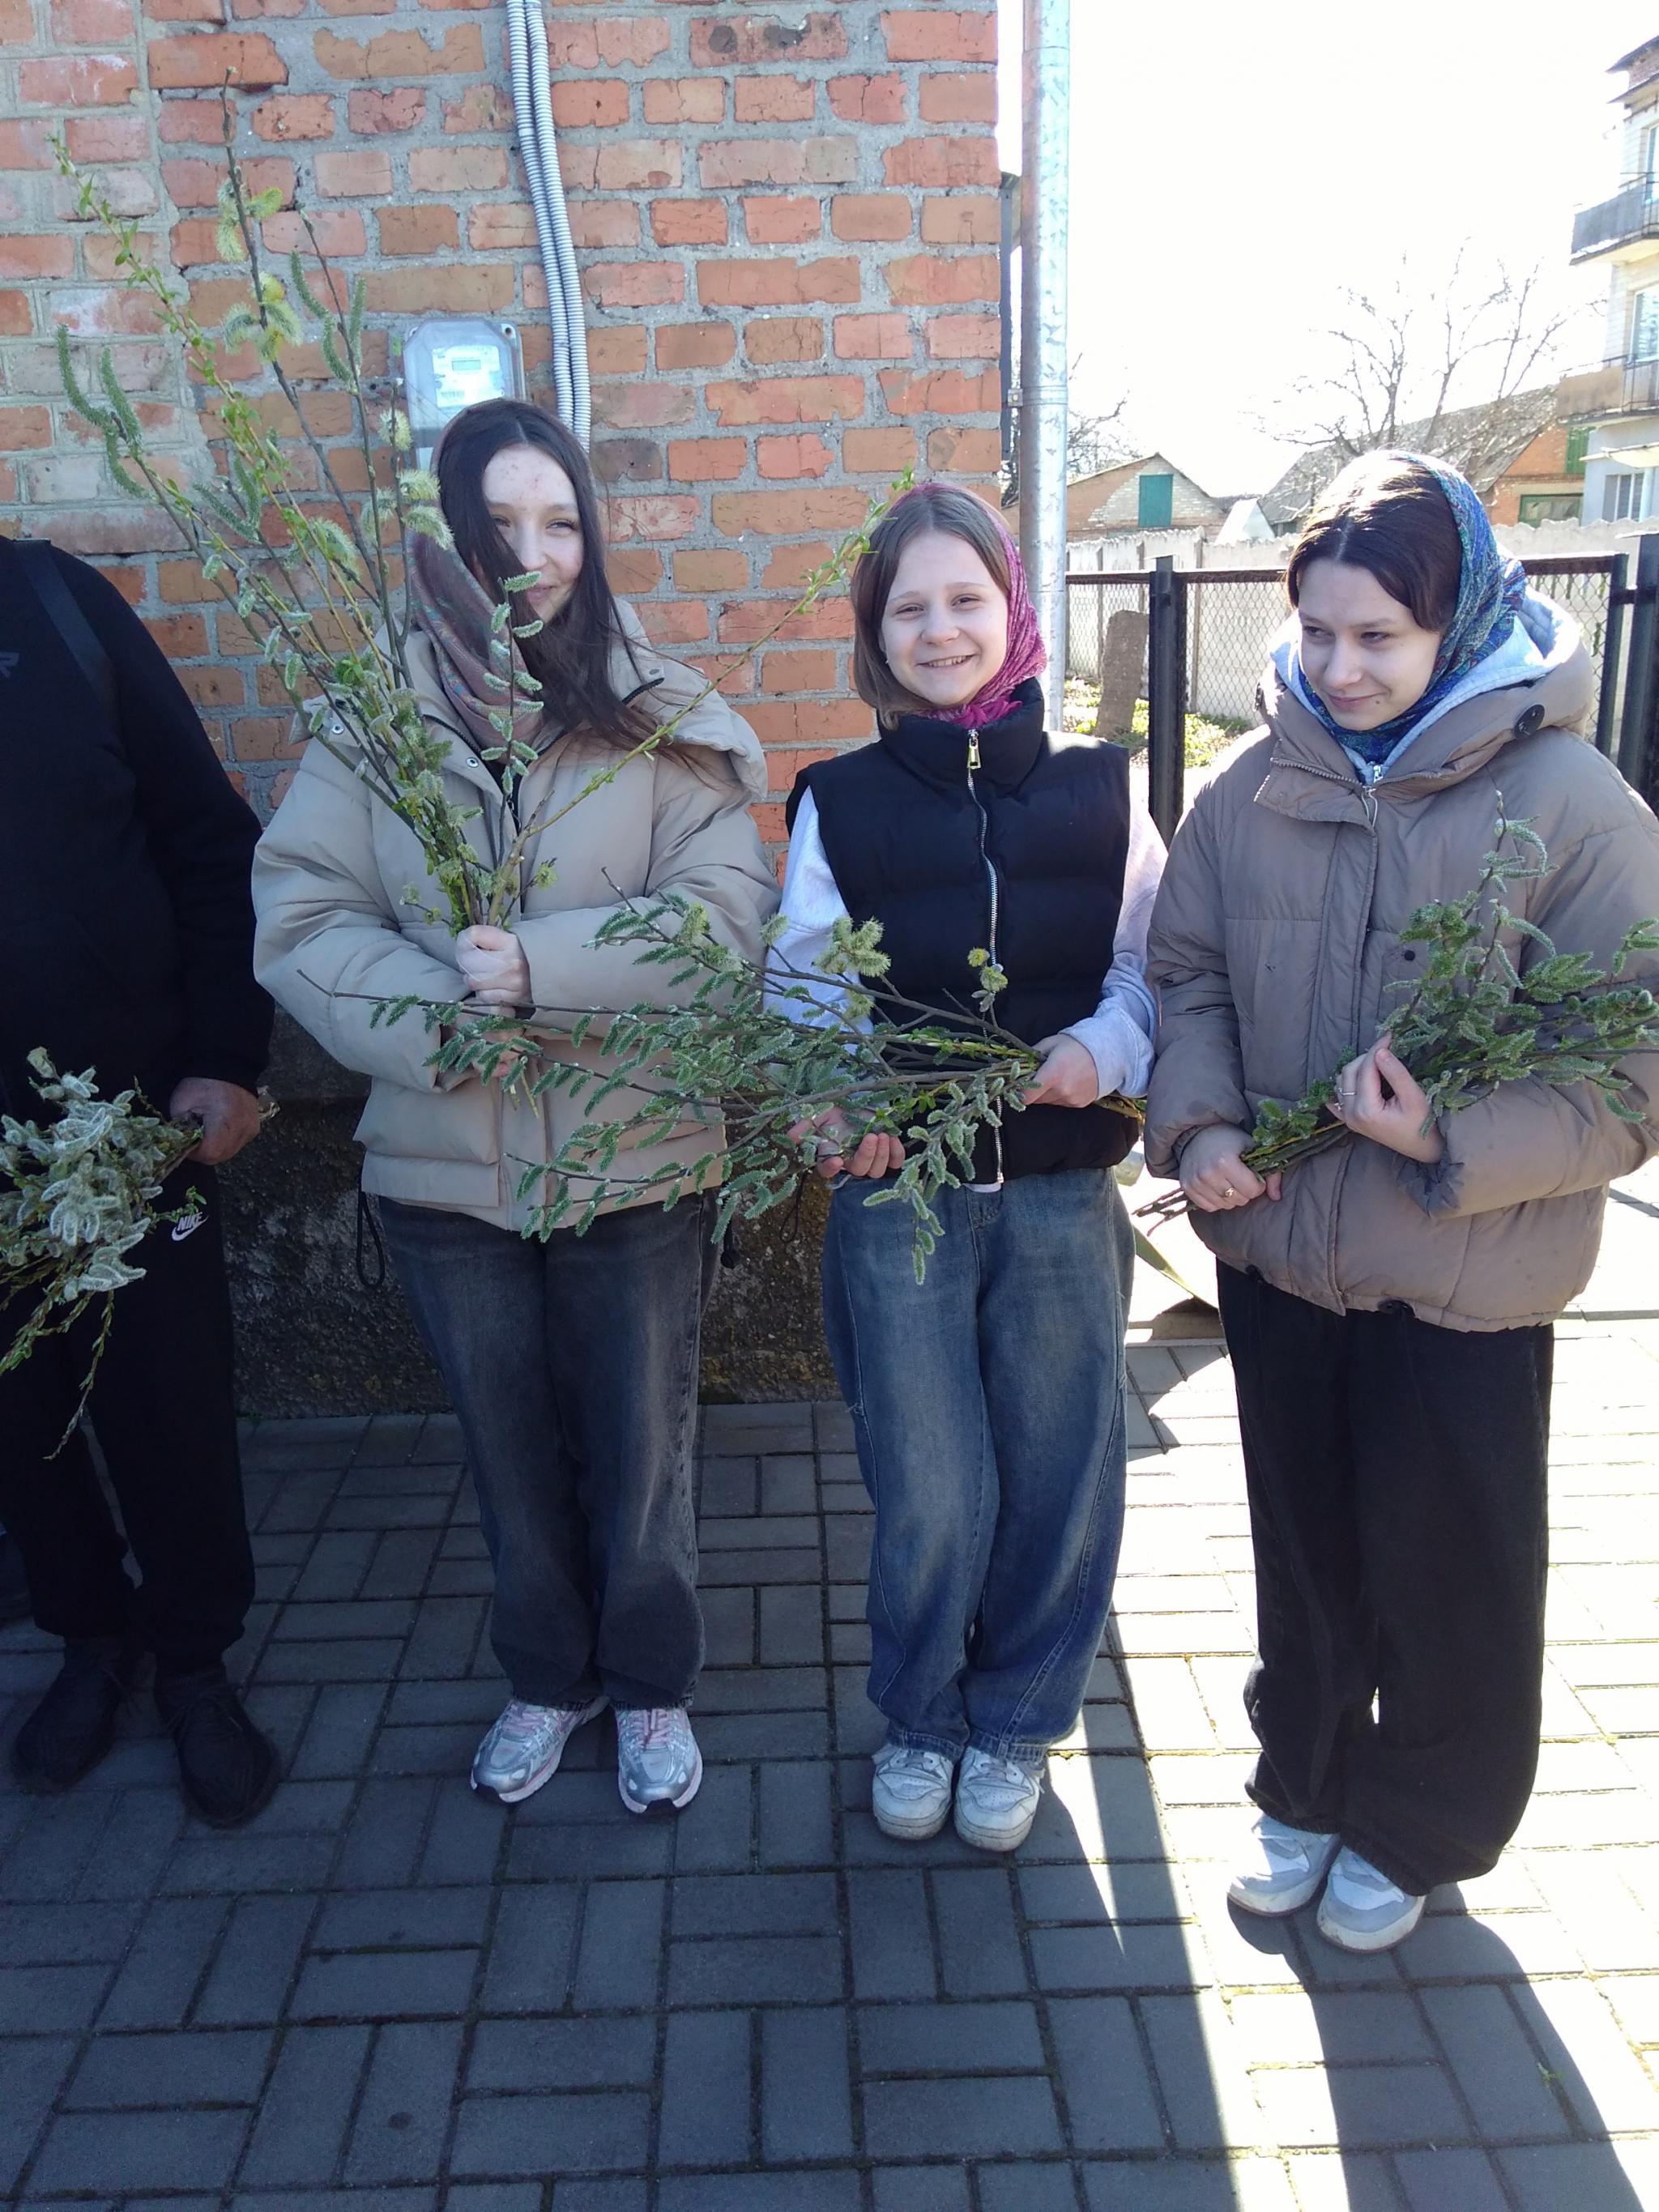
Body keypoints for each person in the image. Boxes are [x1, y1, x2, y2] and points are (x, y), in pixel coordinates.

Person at [1145, 453, 1659, 1952]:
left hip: (1465, 1275)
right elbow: (1189, 978)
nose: (1340, 666)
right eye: (1316, 632)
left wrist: (1452, 1133)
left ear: (1461, 620)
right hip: (1287, 1259)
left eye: (1379, 636)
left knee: (1448, 1562)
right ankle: (1301, 1783)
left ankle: (1421, 1821)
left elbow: (1630, 1055)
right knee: (1305, 1551)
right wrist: (1201, 1126)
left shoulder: (1573, 801)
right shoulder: (1251, 788)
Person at [254, 399, 777, 1817]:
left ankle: (652, 1681)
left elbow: (726, 914)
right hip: (449, 1173)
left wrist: (542, 966)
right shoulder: (373, 722)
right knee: (507, 1451)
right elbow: (304, 915)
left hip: (638, 1155)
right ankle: (551, 1675)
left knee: (642, 1443)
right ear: (451, 538)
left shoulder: (660, 714)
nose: (533, 557)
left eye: (560, 525)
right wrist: (436, 1016)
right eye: (500, 527)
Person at [769, 484, 1165, 1852]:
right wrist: (837, 1095)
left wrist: (1105, 1053)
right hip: (905, 1202)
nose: (940, 630)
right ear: (876, 635)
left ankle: (1016, 1723)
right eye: (908, 608)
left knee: (1061, 1464)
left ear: (1015, 612)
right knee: (929, 1477)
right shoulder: (844, 801)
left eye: (965, 600)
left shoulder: (1101, 791)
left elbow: (1153, 971)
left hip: (1058, 1192)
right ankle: (923, 1713)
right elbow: (805, 988)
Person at [0, 533, 277, 1827]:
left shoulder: (57, 607)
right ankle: (87, 1639)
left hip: (128, 1125)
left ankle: (194, 1663)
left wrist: (226, 1060)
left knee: (168, 1405)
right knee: (19, 1423)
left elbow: (207, 843)